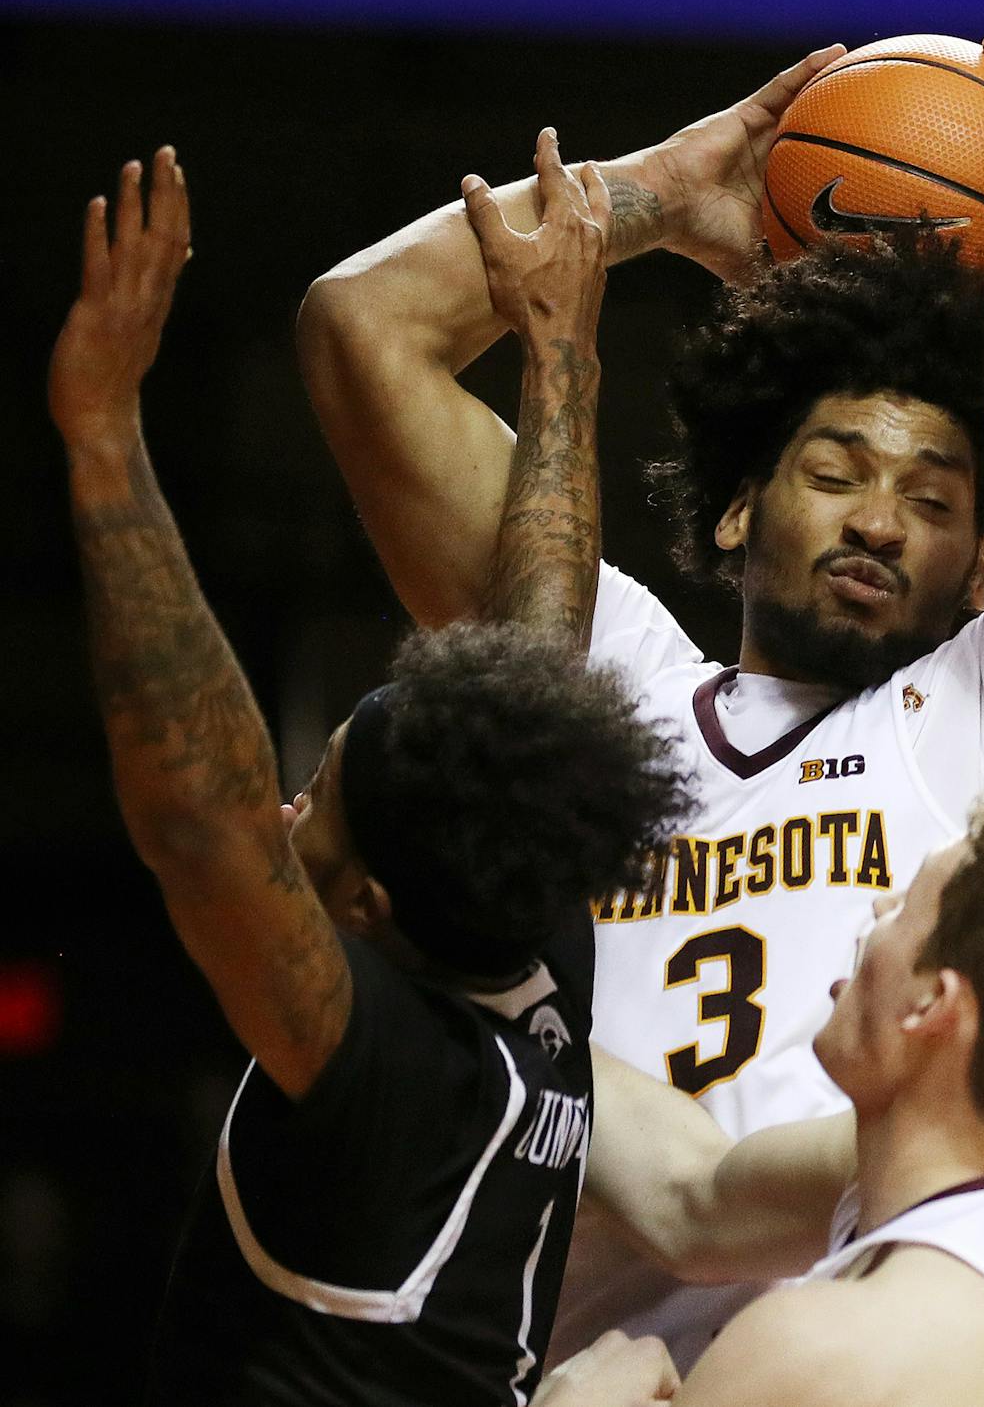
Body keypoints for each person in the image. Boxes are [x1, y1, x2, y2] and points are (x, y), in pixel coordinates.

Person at [298, 37, 984, 1362]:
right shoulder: (608, 670)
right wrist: (655, 195)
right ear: (744, 500)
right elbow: (361, 327)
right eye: (837, 470)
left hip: (873, 1360)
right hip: (574, 1364)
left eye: (934, 500)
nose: (881, 518)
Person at [50, 143, 690, 1406]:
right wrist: (559, 358)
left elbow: (202, 820)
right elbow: (535, 658)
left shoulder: (385, 1079)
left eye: (317, 796)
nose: (287, 801)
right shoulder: (533, 942)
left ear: (366, 913)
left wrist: (104, 434)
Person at [565, 779, 984, 1407]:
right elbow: (696, 1200)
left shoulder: (825, 1352)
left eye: (906, 905)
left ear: (933, 1002)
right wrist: (517, 1008)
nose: (878, 908)